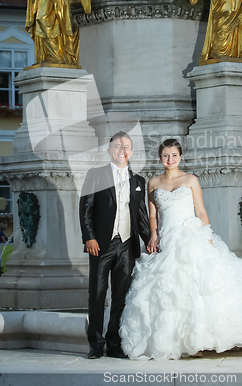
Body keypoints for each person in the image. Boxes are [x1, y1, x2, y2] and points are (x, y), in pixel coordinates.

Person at [119, 139, 242, 360]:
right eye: (165, 156)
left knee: (199, 284)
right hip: (166, 237)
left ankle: (202, 339)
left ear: (180, 157)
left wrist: (206, 235)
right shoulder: (153, 182)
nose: (170, 160)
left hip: (191, 234)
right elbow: (153, 214)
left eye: (174, 155)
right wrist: (153, 235)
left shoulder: (191, 179)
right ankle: (180, 341)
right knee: (169, 289)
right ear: (160, 158)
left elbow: (200, 211)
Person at [79, 132, 150, 359]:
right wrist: (88, 237)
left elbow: (141, 216)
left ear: (131, 151)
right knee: (97, 293)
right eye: (117, 146)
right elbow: (86, 208)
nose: (122, 149)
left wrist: (150, 241)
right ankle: (96, 343)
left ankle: (114, 342)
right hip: (101, 244)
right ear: (109, 150)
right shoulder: (96, 175)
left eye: (126, 146)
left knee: (121, 296)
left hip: (127, 246)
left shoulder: (139, 181)